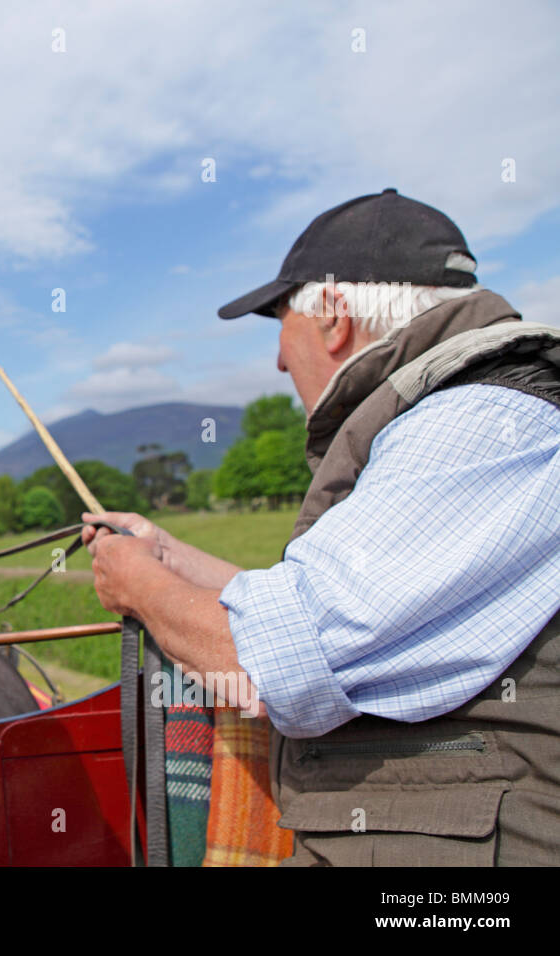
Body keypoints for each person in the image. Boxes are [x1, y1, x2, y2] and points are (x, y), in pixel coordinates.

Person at [83, 188, 560, 865]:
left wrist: (139, 588)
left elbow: (276, 662)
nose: (279, 361)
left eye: (281, 322)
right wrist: (165, 555)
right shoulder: (450, 419)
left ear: (333, 315)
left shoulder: (478, 421)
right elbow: (347, 612)